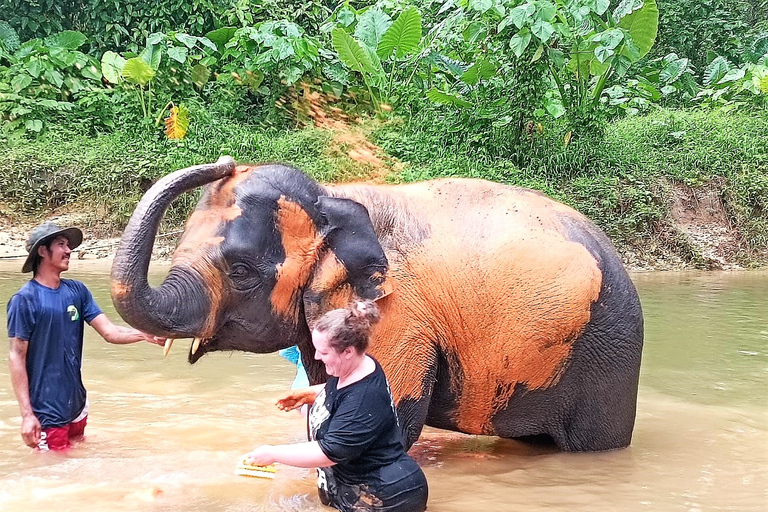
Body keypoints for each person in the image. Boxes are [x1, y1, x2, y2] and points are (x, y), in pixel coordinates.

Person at [245, 301, 428, 512]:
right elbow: (341, 394)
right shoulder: (352, 369)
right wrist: (308, 394)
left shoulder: (363, 398)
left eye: (323, 352)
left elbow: (329, 452)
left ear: (348, 351)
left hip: (387, 498)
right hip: (358, 490)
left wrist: (273, 453)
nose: (316, 357)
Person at [7, 221, 165, 452]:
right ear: (42, 251)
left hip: (77, 404)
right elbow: (16, 357)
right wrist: (27, 415)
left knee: (77, 458)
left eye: (68, 245)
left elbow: (110, 332)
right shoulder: (25, 300)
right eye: (61, 244)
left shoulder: (77, 291)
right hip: (47, 412)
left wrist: (145, 334)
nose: (69, 250)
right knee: (55, 473)